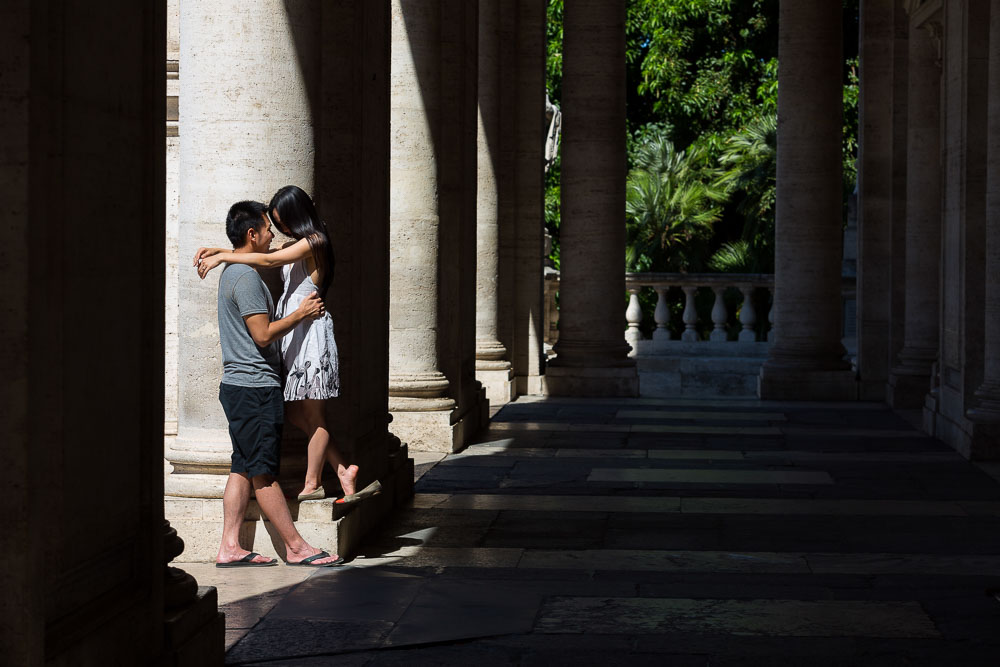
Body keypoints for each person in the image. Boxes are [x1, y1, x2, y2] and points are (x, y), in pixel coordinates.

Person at [195, 186, 380, 505]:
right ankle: (343, 469)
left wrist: (224, 255)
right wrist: (223, 248)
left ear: (297, 216)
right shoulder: (298, 242)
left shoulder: (315, 242)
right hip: (296, 334)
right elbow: (259, 249)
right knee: (298, 413)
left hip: (309, 332)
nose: (279, 229)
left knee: (314, 414)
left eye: (282, 221)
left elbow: (270, 259)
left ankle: (312, 484)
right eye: (275, 224)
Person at [212, 200, 342, 567]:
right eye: (269, 229)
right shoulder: (247, 277)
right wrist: (300, 313)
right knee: (263, 473)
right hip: (253, 387)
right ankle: (297, 548)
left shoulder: (237, 272)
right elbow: (263, 334)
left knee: (242, 466)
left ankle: (229, 546)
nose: (274, 236)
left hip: (241, 386)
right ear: (252, 235)